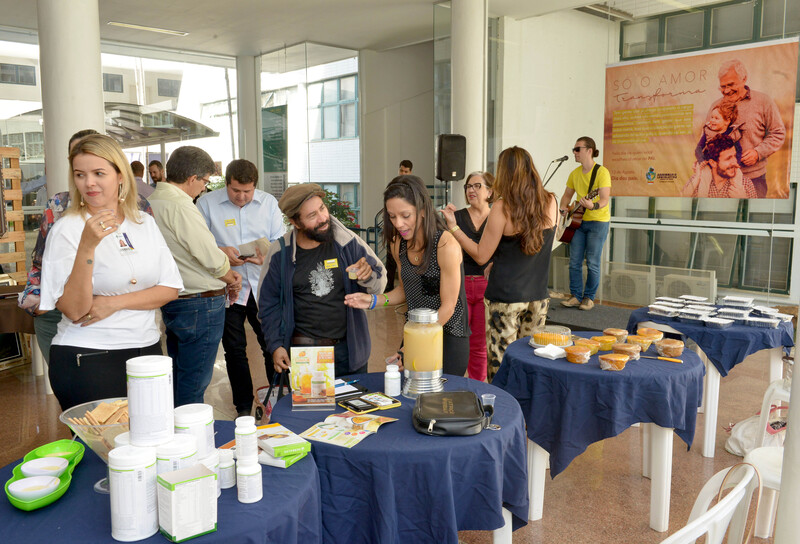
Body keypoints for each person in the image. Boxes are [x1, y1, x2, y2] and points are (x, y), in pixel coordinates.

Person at [37, 134, 183, 410]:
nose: (88, 183)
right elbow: (75, 310)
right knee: (105, 439)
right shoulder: (67, 230)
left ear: (120, 175)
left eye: (98, 173)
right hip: (88, 356)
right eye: (80, 175)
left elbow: (170, 288)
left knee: (152, 432)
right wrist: (87, 246)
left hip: (147, 349)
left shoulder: (144, 223)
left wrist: (113, 303)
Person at [18, 129, 154, 364]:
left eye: (98, 167)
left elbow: (156, 271)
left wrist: (117, 300)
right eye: (79, 166)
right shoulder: (59, 204)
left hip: (124, 322)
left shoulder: (139, 208)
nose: (88, 176)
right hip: (60, 310)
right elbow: (41, 259)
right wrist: (39, 299)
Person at [443, 148, 557, 382]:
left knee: (501, 367)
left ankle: (504, 405)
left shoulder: (502, 207)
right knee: (532, 362)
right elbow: (536, 246)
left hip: (505, 298)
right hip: (538, 297)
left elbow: (480, 256)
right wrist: (502, 258)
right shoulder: (551, 200)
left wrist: (454, 228)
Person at [258, 183, 386, 377]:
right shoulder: (280, 253)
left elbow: (380, 284)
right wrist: (276, 345)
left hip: (349, 351)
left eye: (322, 208)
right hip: (305, 353)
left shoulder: (346, 242)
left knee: (353, 398)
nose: (323, 218)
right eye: (312, 215)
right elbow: (268, 305)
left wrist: (367, 276)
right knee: (311, 400)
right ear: (295, 222)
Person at [347, 175, 470, 376]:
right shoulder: (398, 244)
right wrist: (373, 300)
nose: (398, 224)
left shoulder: (445, 244)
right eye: (392, 216)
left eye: (405, 215)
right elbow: (406, 290)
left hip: (447, 334)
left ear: (422, 211)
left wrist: (414, 343)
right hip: (414, 331)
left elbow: (448, 307)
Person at [148, 146, 242, 406]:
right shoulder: (181, 205)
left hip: (174, 298)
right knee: (195, 380)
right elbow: (208, 257)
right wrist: (231, 277)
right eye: (204, 182)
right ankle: (188, 430)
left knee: (179, 374)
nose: (203, 188)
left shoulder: (152, 202)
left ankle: (174, 425)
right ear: (192, 179)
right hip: (201, 303)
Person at [197, 159, 285, 417]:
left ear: (255, 186)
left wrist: (266, 255)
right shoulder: (206, 204)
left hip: (262, 286)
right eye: (236, 190)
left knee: (271, 344)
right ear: (226, 183)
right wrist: (220, 252)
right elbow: (197, 245)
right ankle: (244, 407)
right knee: (234, 350)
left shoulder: (268, 203)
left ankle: (278, 401)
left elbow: (280, 242)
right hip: (228, 287)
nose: (242, 196)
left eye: (248, 191)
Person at [706, 59, 785, 198]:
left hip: (754, 179)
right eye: (723, 86)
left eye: (731, 85)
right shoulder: (715, 106)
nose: (726, 90)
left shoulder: (764, 101)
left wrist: (758, 153)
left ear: (744, 79)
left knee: (752, 211)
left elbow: (778, 133)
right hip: (721, 179)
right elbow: (707, 139)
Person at [442, 171, 493, 382]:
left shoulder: (497, 217)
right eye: (468, 186)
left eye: (477, 186)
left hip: (487, 286)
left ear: (490, 192)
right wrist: (448, 224)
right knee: (456, 339)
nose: (471, 190)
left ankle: (476, 387)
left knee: (479, 346)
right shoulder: (457, 217)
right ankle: (452, 385)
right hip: (459, 285)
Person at [559, 137, 611, 311]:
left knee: (593, 262)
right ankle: (575, 296)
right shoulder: (574, 173)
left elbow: (604, 199)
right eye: (574, 149)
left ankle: (589, 298)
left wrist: (593, 206)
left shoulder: (602, 172)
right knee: (574, 261)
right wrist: (563, 208)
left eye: (577, 149)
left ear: (589, 151)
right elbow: (567, 196)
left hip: (598, 222)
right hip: (578, 222)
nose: (574, 152)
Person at [683, 135, 758, 199]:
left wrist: (743, 198)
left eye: (734, 156)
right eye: (728, 158)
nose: (734, 162)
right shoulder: (697, 181)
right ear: (713, 163)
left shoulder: (745, 184)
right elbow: (681, 205)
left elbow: (754, 211)